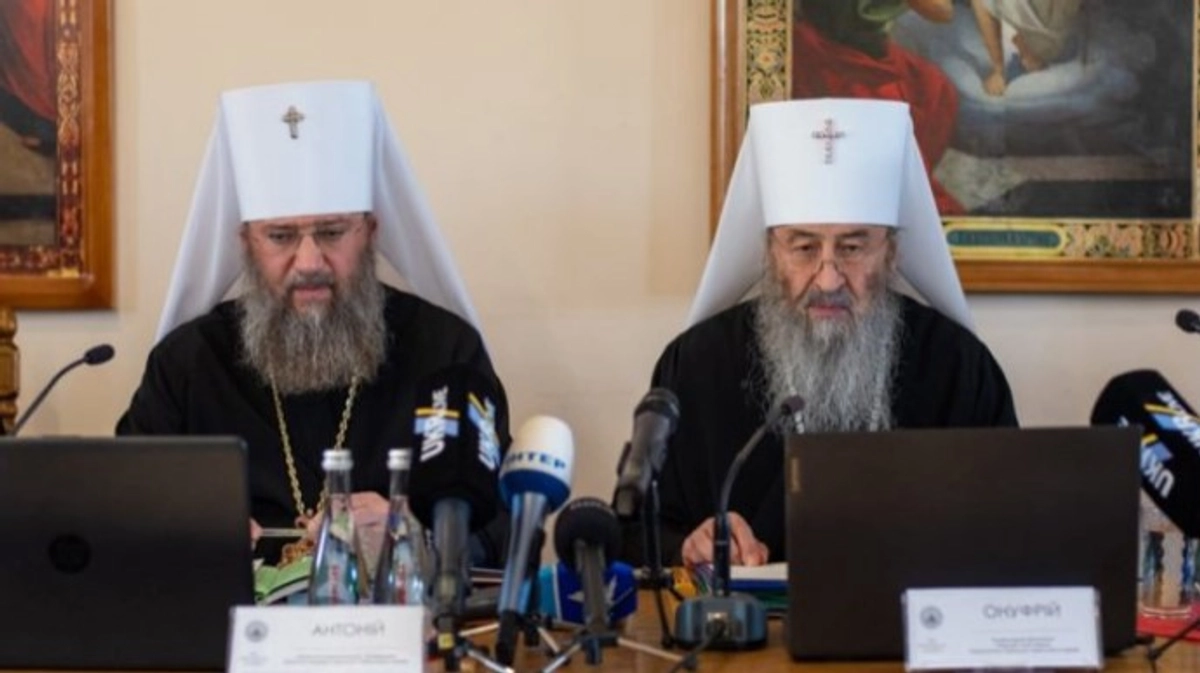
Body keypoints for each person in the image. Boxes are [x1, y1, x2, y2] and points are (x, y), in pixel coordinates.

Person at [117, 80, 510, 567]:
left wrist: (415, 538)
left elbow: (507, 527)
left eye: (332, 232)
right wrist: (184, 535)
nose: (309, 262)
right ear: (246, 243)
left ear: (370, 233)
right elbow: (121, 513)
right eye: (280, 236)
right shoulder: (188, 364)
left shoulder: (445, 352)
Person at [622, 98, 1017, 569]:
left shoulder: (957, 366)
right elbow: (633, 529)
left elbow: (1012, 525)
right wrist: (689, 545)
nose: (828, 280)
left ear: (891, 253)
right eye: (804, 248)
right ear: (771, 252)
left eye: (852, 248)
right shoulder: (698, 363)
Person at [793, 0, 963, 214]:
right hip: (827, 49)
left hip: (868, 47)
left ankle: (904, 183)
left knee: (935, 87)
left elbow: (942, 11)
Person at [970, 0, 1085, 97]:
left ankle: (999, 70)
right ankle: (1024, 49)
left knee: (980, 2)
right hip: (1060, 37)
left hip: (1049, 40)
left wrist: (998, 70)